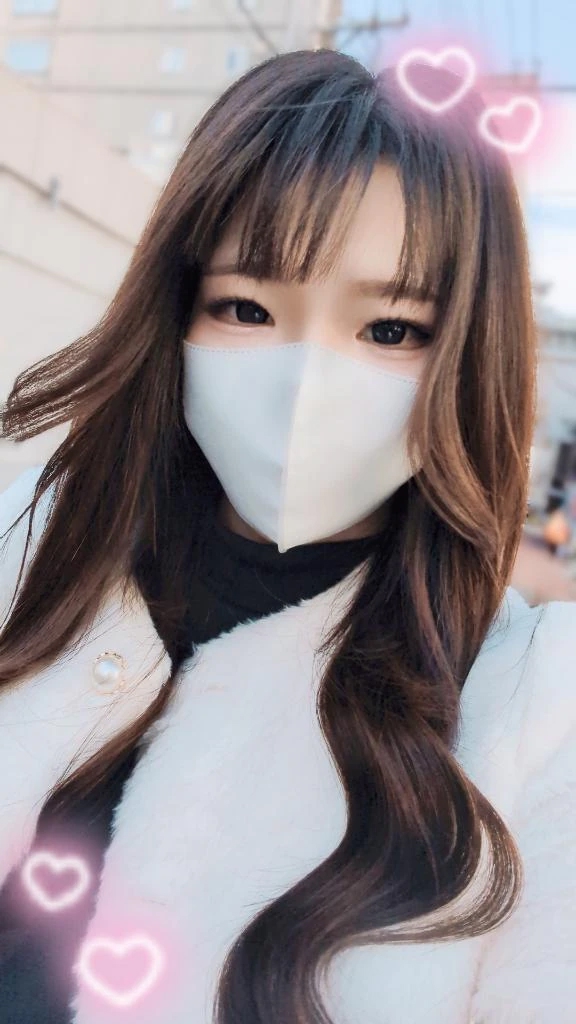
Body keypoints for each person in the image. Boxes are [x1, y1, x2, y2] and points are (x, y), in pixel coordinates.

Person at [0, 48, 574, 1024]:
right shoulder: (28, 553)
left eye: (391, 328)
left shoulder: (537, 709)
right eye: (247, 308)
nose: (306, 385)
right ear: (173, 314)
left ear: (468, 352)